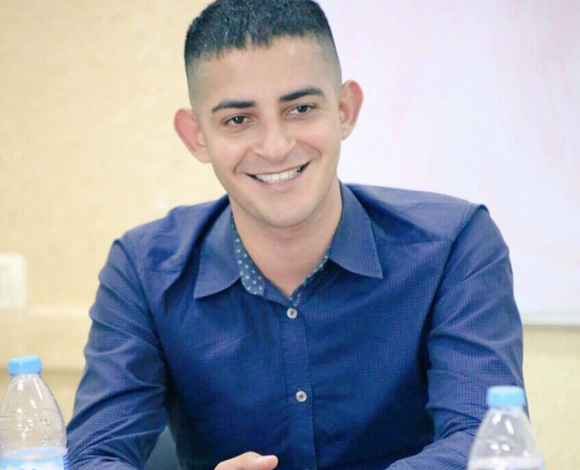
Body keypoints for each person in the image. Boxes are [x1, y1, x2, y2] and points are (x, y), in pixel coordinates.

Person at [66, 1, 524, 469]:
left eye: (301, 109)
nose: (275, 147)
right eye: (238, 120)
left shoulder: (454, 245)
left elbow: (485, 442)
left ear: (344, 110)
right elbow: (93, 456)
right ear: (197, 135)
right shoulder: (143, 270)